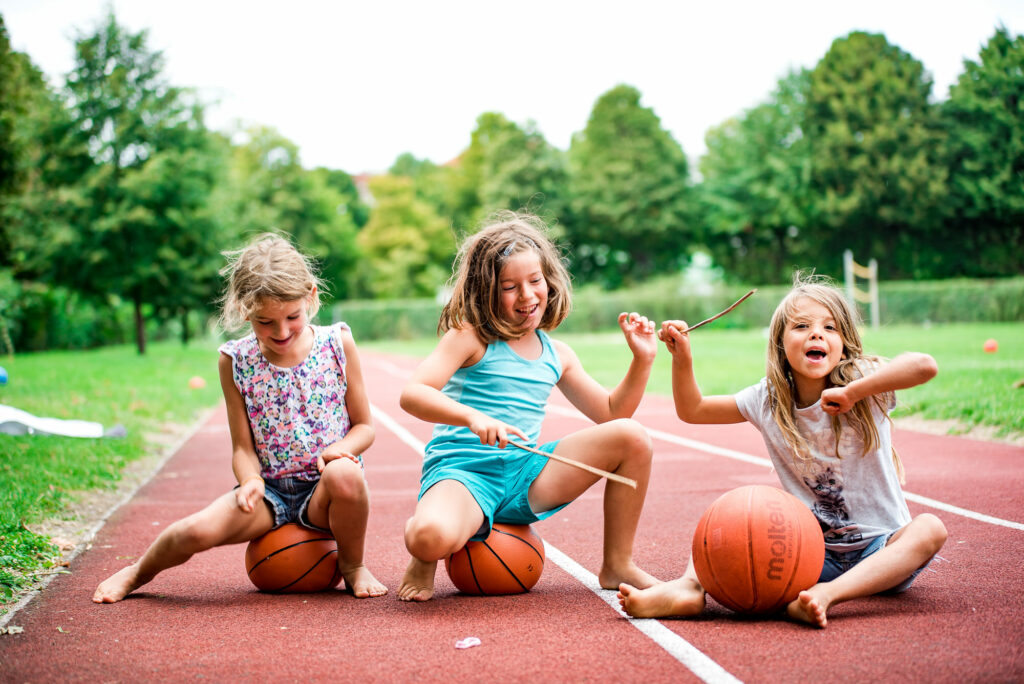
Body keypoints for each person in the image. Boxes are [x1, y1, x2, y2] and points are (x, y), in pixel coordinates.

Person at [618, 273, 947, 628]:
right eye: (802, 326)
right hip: (810, 554)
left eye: (830, 328)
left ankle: (827, 596)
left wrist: (855, 392)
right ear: (780, 343)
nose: (816, 334)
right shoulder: (768, 399)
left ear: (845, 342)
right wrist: (682, 356)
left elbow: (925, 366)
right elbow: (693, 410)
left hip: (884, 554)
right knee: (738, 513)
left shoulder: (863, 380)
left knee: (930, 528)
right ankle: (688, 587)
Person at [93, 234, 387, 602]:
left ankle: (354, 567)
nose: (281, 332)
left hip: (325, 494)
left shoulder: (337, 343)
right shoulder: (235, 360)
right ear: (243, 309)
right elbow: (242, 448)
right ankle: (136, 573)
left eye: (292, 317)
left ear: (311, 296)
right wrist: (249, 480)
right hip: (271, 494)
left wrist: (339, 451)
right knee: (194, 531)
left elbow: (365, 428)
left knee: (345, 472)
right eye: (265, 322)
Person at [397, 212, 661, 602]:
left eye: (535, 281)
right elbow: (413, 394)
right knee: (430, 537)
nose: (527, 295)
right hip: (466, 474)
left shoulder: (559, 354)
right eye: (509, 286)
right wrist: (472, 416)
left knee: (632, 437)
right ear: (486, 290)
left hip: (527, 476)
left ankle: (617, 564)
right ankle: (425, 544)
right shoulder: (470, 336)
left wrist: (642, 360)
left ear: (549, 281)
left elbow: (612, 414)